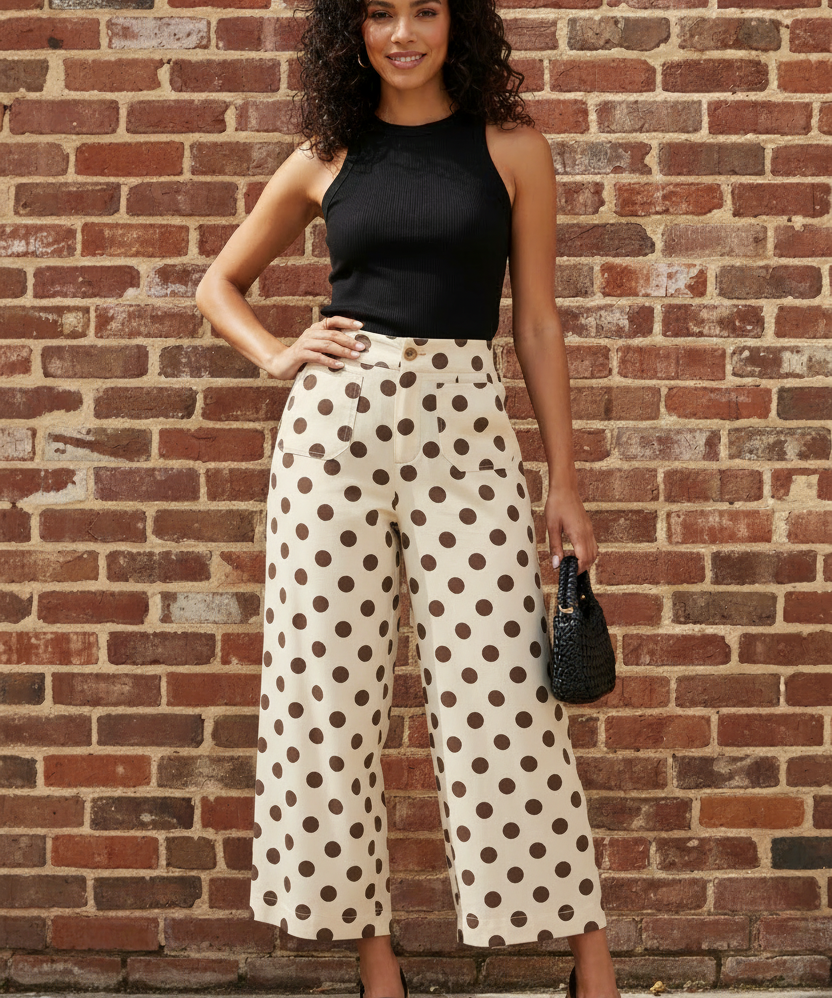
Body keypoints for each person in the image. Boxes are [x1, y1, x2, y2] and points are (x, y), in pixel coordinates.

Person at [195, 1, 621, 997]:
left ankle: (588, 956)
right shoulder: (325, 154)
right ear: (352, 31)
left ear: (453, 24)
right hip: (332, 439)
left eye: (423, 9)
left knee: (506, 694)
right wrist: (276, 351)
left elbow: (540, 323)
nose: (401, 31)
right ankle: (373, 961)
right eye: (379, 11)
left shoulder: (512, 148)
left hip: (466, 433)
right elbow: (221, 283)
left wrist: (563, 478)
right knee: (328, 699)